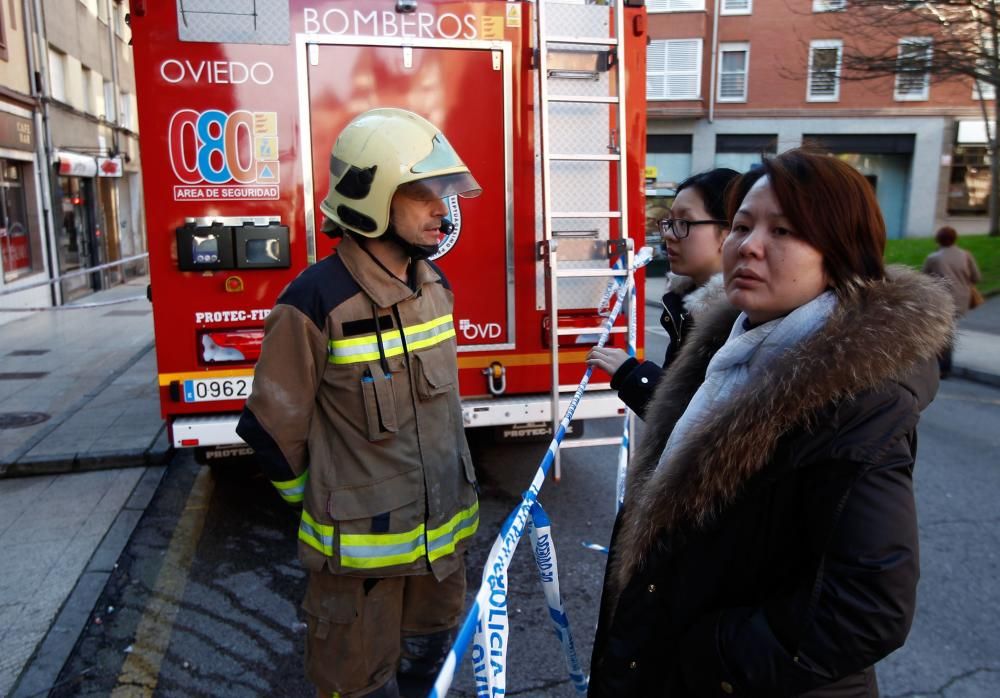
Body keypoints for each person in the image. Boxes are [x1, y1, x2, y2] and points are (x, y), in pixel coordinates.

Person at [588, 149, 954, 697]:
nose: (748, 246)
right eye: (741, 226)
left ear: (840, 253)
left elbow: (868, 610)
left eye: (783, 231)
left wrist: (707, 658)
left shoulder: (857, 401)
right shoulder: (727, 350)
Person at [236, 108, 481, 698]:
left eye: (445, 193)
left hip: (439, 557)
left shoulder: (433, 287)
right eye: (423, 193)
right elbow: (272, 430)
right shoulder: (315, 302)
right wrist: (320, 505)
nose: (441, 209)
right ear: (370, 197)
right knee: (357, 688)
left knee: (431, 673)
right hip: (358, 571)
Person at [588, 168, 740, 418]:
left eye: (684, 223)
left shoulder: (740, 321)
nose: (668, 234)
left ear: (727, 233)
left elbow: (698, 425)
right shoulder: (685, 306)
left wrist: (632, 375)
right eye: (669, 222)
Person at [922, 225, 982, 377]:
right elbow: (976, 277)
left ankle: (943, 367)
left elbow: (923, 280)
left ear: (938, 239)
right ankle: (943, 365)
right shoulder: (966, 255)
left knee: (944, 332)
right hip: (962, 299)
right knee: (948, 330)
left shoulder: (934, 258)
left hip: (942, 300)